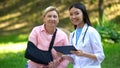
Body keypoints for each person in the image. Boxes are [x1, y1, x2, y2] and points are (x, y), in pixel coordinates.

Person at [68, 3, 105, 68]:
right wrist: (63, 56)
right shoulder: (72, 35)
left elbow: (101, 56)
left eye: (77, 13)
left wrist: (84, 54)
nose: (73, 17)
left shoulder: (91, 32)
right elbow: (73, 60)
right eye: (71, 14)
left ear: (84, 15)